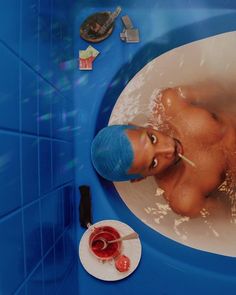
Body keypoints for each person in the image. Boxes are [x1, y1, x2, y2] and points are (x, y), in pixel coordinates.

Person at [91, 84, 236, 218]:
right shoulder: (185, 198)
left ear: (137, 126)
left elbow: (223, 89)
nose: (169, 149)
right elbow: (226, 213)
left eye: (152, 138)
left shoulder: (172, 101)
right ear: (140, 178)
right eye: (153, 163)